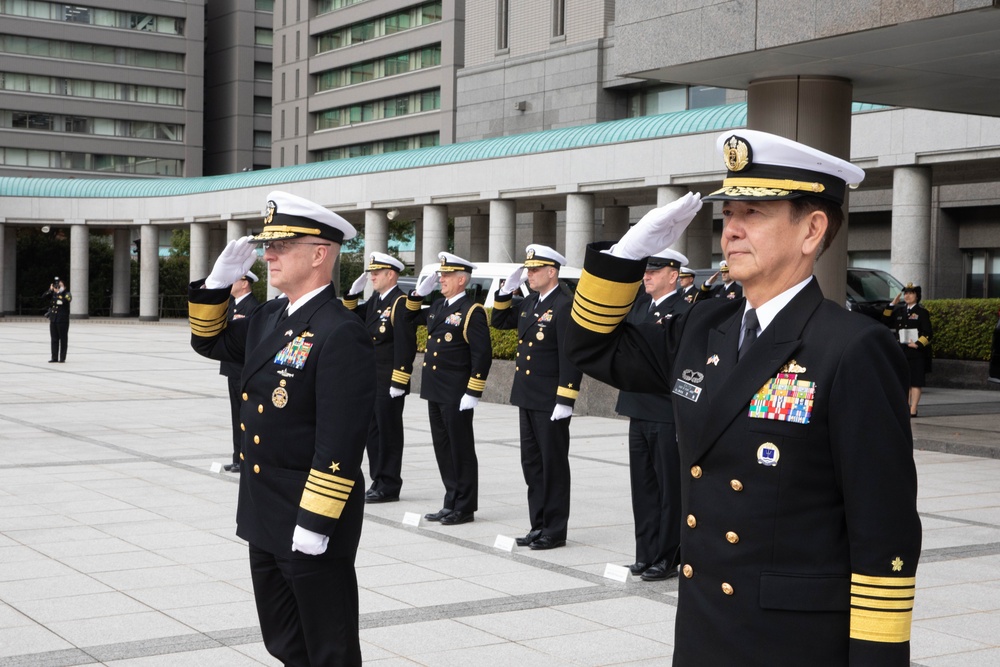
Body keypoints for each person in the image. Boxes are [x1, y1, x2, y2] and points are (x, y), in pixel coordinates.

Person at [566, 130, 921, 666]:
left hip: (790, 642)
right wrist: (625, 257)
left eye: (753, 212)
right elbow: (590, 347)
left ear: (812, 229)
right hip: (704, 626)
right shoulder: (705, 325)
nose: (731, 229)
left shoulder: (851, 348)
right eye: (728, 213)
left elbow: (884, 531)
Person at [188, 190, 375, 667]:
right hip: (262, 507)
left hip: (307, 513)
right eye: (269, 244)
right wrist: (215, 284)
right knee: (285, 642)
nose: (268, 253)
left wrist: (315, 522)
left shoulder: (340, 329)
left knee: (328, 648)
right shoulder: (270, 315)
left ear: (319, 254)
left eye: (282, 244)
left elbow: (341, 439)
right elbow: (208, 343)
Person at [491, 244, 583, 550]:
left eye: (534, 270)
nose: (529, 274)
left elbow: (570, 355)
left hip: (550, 399)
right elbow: (500, 321)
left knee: (552, 464)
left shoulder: (565, 304)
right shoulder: (531, 302)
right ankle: (538, 524)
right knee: (532, 463)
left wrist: (565, 399)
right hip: (528, 396)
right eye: (528, 270)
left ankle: (554, 530)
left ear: (552, 271)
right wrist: (507, 289)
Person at [615, 247, 689, 580]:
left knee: (667, 488)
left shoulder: (684, 311)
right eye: (646, 271)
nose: (646, 276)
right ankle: (644, 553)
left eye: (654, 272)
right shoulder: (640, 306)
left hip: (663, 410)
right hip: (636, 406)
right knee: (643, 487)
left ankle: (667, 556)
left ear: (673, 276)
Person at [404, 252, 492, 526]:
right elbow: (407, 318)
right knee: (443, 447)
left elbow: (482, 354)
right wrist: (418, 293)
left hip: (456, 392)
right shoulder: (439, 305)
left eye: (446, 275)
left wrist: (473, 391)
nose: (441, 279)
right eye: (441, 275)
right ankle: (451, 500)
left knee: (460, 448)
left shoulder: (471, 311)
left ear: (462, 279)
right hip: (435, 389)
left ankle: (464, 507)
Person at [343, 252, 417, 503]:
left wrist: (400, 380)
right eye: (371, 272)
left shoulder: (400, 302)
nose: (372, 276)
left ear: (391, 275)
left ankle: (389, 484)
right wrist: (351, 296)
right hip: (371, 379)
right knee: (373, 434)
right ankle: (378, 480)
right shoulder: (376, 301)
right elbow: (351, 317)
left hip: (389, 381)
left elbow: (406, 345)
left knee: (388, 434)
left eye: (377, 272)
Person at [220, 270, 260, 473]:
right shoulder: (232, 304)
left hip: (243, 370)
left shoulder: (252, 307)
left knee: (246, 417)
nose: (231, 283)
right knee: (236, 416)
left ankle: (246, 458)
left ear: (245, 283)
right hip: (231, 369)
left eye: (235, 279)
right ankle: (238, 457)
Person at [884, 283, 933, 417]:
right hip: (902, 350)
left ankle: (913, 408)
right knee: (904, 381)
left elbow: (928, 333)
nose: (907, 296)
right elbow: (885, 319)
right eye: (905, 293)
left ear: (917, 296)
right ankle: (905, 406)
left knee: (916, 381)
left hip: (916, 352)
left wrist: (918, 343)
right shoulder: (900, 311)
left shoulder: (922, 312)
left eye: (910, 293)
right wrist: (892, 304)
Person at [43, 277, 72, 363]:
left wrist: (59, 293)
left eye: (60, 285)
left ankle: (62, 357)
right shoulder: (54, 293)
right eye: (57, 285)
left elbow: (66, 301)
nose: (58, 287)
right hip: (54, 319)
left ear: (65, 287)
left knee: (63, 339)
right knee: (54, 339)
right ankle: (54, 357)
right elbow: (44, 297)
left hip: (62, 320)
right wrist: (50, 290)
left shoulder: (67, 293)